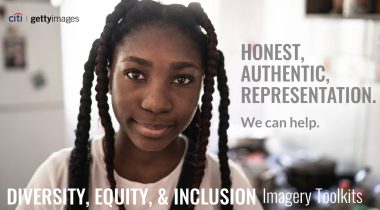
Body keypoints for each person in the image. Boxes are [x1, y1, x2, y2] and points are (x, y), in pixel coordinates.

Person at [17, 0, 263, 210]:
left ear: (203, 86)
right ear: (108, 74)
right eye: (135, 74)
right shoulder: (58, 177)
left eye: (182, 79)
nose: (156, 103)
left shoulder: (227, 184)